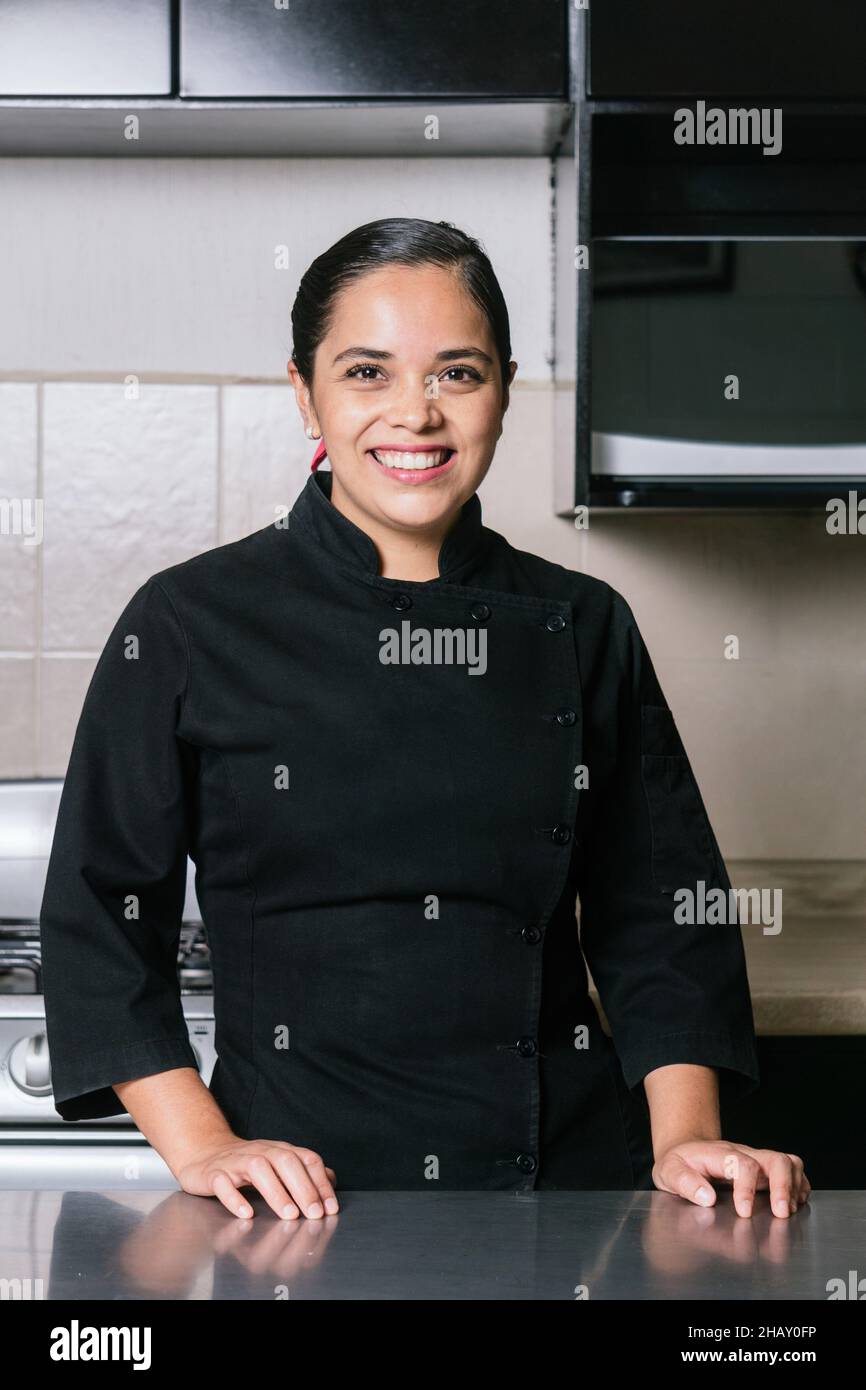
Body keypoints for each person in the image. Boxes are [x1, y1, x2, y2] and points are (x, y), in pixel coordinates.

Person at [40, 217, 810, 1223]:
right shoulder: (189, 621)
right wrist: (205, 1142)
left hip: (563, 1187)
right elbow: (102, 911)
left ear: (501, 389)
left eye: (457, 372)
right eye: (367, 372)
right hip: (295, 1196)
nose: (416, 413)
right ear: (303, 391)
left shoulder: (581, 624)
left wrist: (684, 1137)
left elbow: (660, 909)